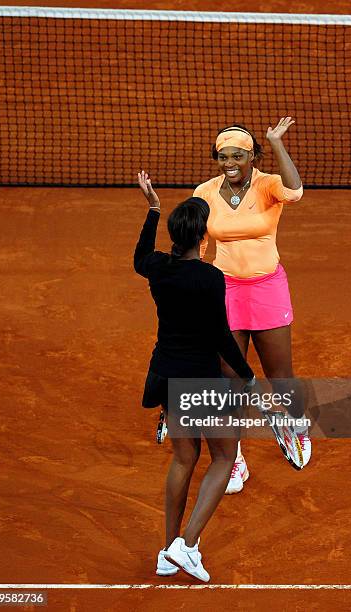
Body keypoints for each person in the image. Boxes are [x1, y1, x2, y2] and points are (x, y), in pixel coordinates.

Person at [134, 171, 255, 582]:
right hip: (200, 381)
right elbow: (220, 336)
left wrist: (153, 208)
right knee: (224, 456)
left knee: (184, 457)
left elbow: (139, 257)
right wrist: (248, 375)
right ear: (203, 238)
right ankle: (187, 545)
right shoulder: (209, 278)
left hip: (167, 375)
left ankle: (167, 551)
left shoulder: (157, 269)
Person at [193, 118, 311, 494]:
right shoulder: (205, 192)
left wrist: (277, 143)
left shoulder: (267, 184)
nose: (230, 162)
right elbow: (197, 246)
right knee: (229, 378)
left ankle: (295, 424)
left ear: (252, 157)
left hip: (267, 289)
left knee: (281, 375)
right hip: (224, 290)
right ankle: (234, 455)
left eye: (239, 156)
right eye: (223, 156)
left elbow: (295, 192)